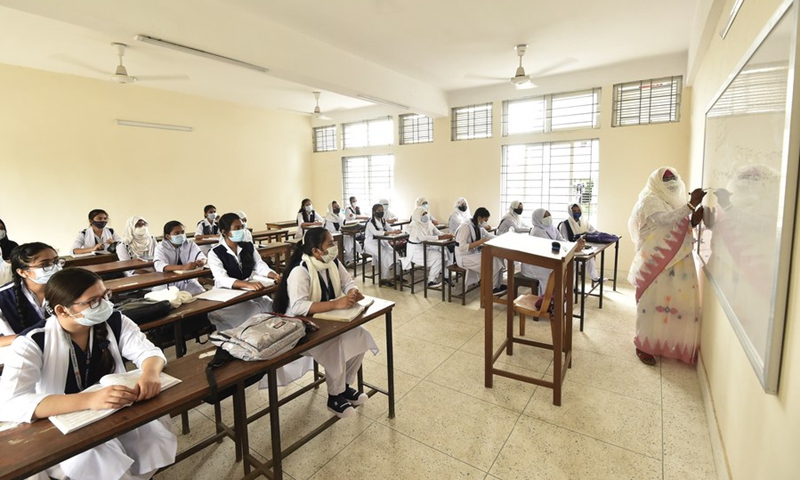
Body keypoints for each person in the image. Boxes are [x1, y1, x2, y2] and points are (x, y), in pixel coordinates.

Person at [0, 268, 176, 480]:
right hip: (63, 421)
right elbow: (11, 402)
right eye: (93, 301)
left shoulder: (114, 321)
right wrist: (90, 400)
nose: (104, 304)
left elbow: (149, 352)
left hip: (112, 411)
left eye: (105, 296)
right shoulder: (32, 342)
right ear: (62, 310)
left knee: (151, 436)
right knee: (97, 458)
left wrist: (150, 373)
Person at [272, 228, 379, 418]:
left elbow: (348, 282)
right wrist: (336, 303)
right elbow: (297, 307)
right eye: (330, 243)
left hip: (328, 320)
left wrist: (353, 292)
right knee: (336, 343)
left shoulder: (332, 262)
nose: (334, 246)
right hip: (303, 327)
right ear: (316, 251)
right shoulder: (300, 270)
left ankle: (344, 386)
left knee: (360, 335)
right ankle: (334, 396)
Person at [628, 167, 704, 366]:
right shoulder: (650, 199)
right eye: (666, 179)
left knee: (669, 300)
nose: (671, 182)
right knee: (650, 302)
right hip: (654, 260)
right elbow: (663, 220)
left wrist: (692, 222)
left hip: (676, 260)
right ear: (656, 182)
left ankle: (663, 342)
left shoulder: (674, 201)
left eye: (673, 178)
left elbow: (676, 224)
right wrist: (691, 205)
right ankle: (643, 345)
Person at [207, 213, 281, 330]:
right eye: (236, 228)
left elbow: (259, 265)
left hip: (245, 291)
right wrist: (246, 284)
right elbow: (221, 278)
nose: (241, 231)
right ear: (224, 232)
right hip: (226, 295)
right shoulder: (215, 253)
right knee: (256, 312)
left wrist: (274, 275)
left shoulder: (248, 246)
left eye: (242, 227)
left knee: (270, 306)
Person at [0, 242, 63, 346]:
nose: (55, 267)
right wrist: (32, 337)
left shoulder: (67, 288)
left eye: (56, 261)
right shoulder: (4, 297)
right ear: (22, 272)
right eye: (45, 265)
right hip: (22, 350)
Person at [454, 207, 506, 294]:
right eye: (485, 220)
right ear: (479, 218)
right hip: (464, 257)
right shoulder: (465, 227)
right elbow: (462, 247)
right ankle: (492, 288)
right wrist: (480, 242)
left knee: (498, 258)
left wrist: (502, 239)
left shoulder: (478, 226)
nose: (486, 223)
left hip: (473, 253)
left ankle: (498, 285)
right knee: (493, 261)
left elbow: (489, 236)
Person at [402, 206, 454, 288]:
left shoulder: (428, 223)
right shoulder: (414, 225)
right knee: (440, 257)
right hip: (416, 251)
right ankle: (431, 280)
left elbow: (438, 232)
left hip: (425, 247)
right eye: (423, 214)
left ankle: (444, 276)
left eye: (426, 213)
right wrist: (440, 238)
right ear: (418, 215)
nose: (425, 216)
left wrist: (447, 235)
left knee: (444, 253)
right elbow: (422, 238)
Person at [153, 221, 207, 295]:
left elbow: (202, 257)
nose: (181, 235)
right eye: (176, 233)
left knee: (201, 293)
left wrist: (202, 261)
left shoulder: (189, 244)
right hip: (167, 281)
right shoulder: (161, 247)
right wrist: (183, 267)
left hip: (186, 279)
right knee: (171, 298)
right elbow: (159, 265)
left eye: (182, 232)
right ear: (168, 236)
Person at [521, 209, 568, 296]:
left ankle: (556, 297)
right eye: (545, 216)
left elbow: (561, 240)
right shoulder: (537, 231)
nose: (548, 218)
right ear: (538, 218)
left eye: (548, 215)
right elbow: (547, 249)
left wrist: (571, 245)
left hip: (545, 261)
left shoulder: (552, 228)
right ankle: (545, 300)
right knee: (550, 274)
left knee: (560, 270)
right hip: (533, 264)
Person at [559, 204, 602, 283]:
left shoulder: (584, 222)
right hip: (571, 250)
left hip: (582, 248)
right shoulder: (565, 224)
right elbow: (565, 241)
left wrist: (590, 234)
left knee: (590, 258)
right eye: (574, 211)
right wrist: (576, 244)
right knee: (574, 263)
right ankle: (572, 286)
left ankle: (595, 278)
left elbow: (594, 231)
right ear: (570, 212)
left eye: (579, 211)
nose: (577, 213)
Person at [364, 203, 403, 287]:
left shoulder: (382, 220)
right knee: (384, 256)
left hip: (381, 242)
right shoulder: (370, 222)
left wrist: (396, 231)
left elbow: (389, 228)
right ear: (374, 212)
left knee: (395, 254)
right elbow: (376, 233)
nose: (381, 212)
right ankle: (384, 279)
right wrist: (390, 232)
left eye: (382, 210)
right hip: (371, 244)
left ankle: (397, 275)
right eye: (379, 210)